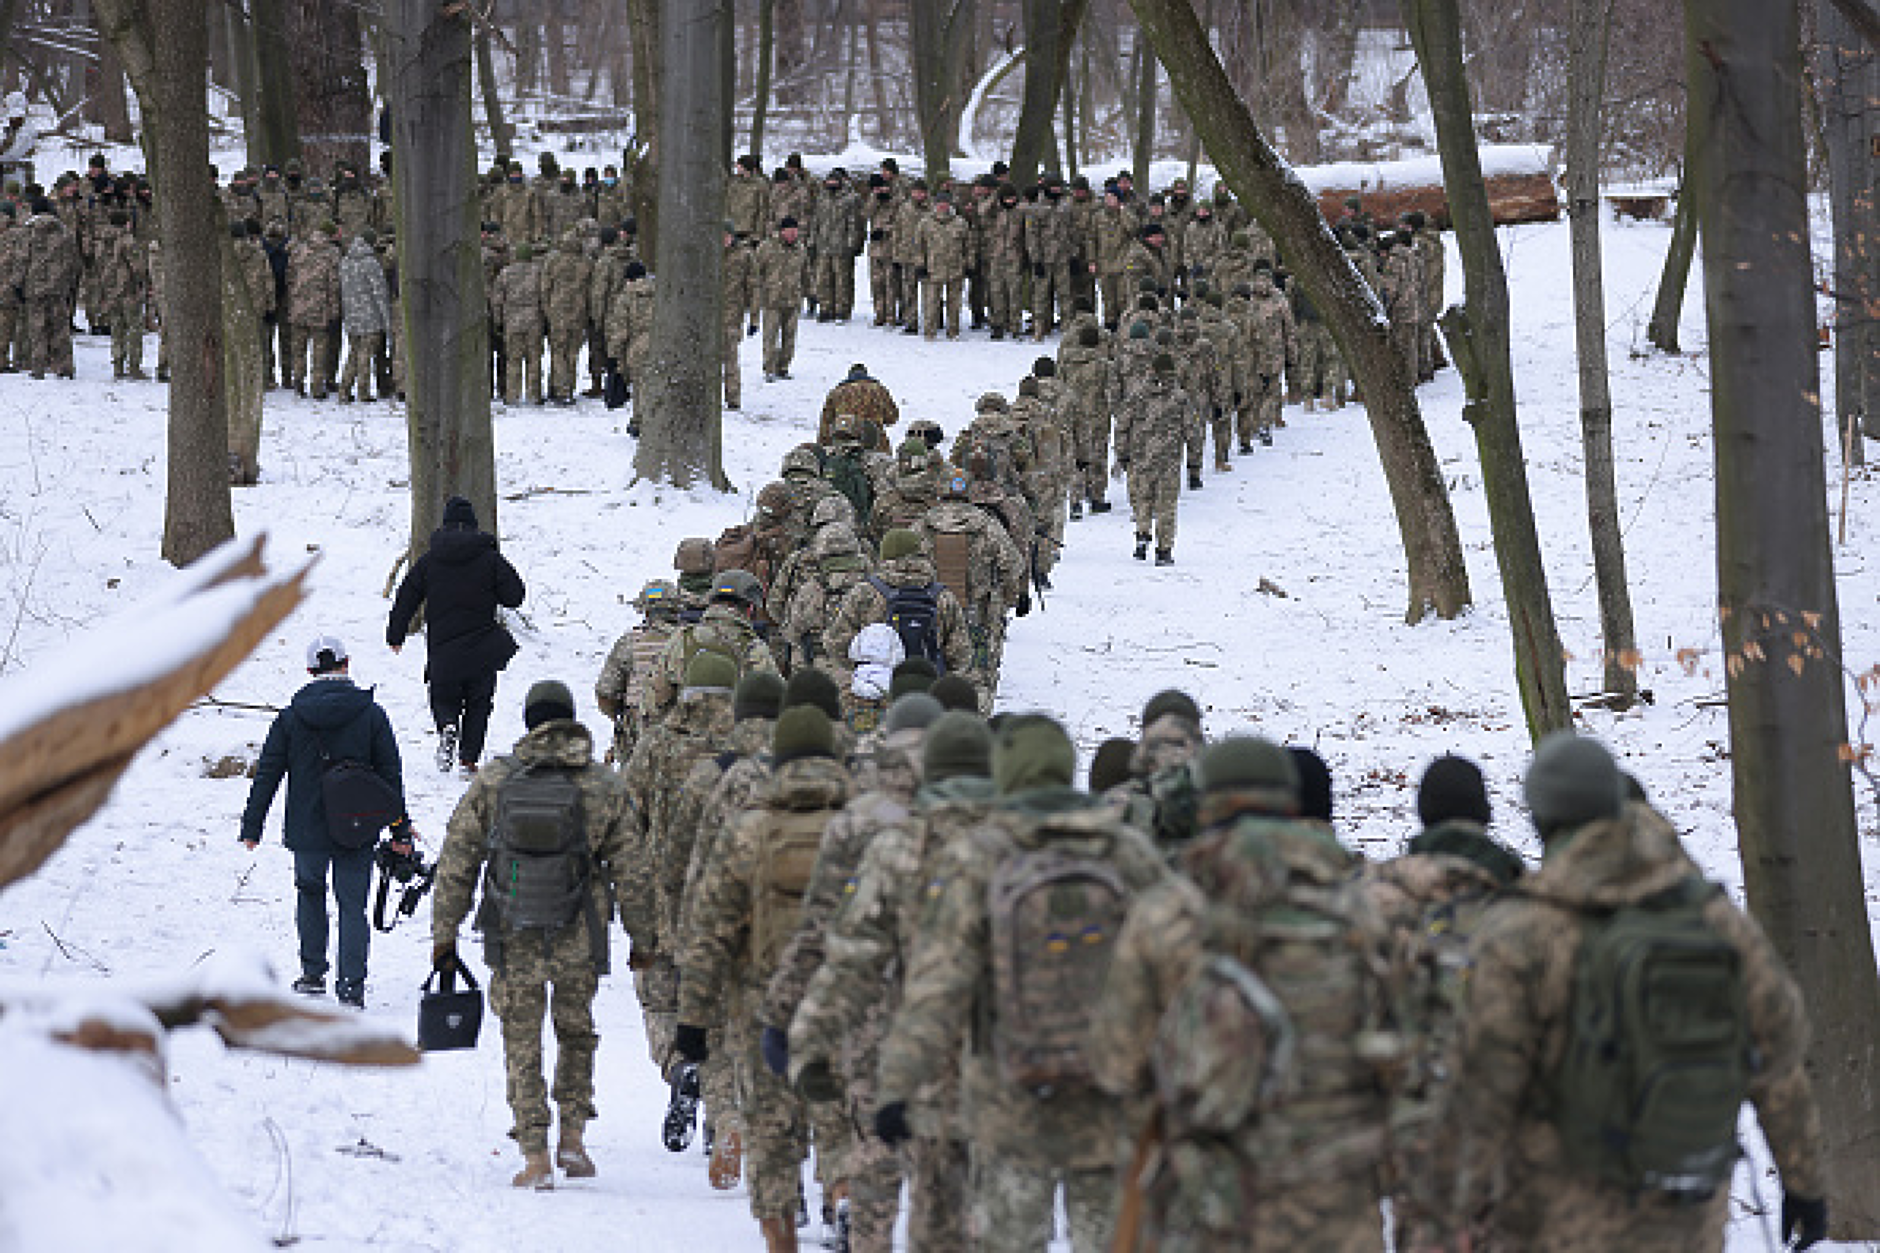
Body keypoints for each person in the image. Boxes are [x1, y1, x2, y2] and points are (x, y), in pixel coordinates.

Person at [1436, 733, 1829, 1252]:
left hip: (1556, 1220)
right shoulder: (1711, 918)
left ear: (1541, 818)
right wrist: (1804, 1182)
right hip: (1686, 1218)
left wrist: (1454, 1212)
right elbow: (1780, 1058)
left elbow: (1483, 1089)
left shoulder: (1522, 931)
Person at [429, 680, 650, 1190]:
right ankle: (572, 1139)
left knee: (520, 1038)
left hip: (511, 932)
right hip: (580, 932)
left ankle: (534, 1155)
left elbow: (458, 859)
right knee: (576, 1032)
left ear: (529, 721)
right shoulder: (602, 784)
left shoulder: (494, 780)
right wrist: (645, 939)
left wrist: (445, 932)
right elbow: (633, 872)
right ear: (570, 720)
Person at [239, 636, 408, 1009]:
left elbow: (268, 772)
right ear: (346, 664)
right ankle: (351, 986)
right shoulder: (371, 714)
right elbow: (390, 776)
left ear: (310, 671)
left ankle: (313, 974)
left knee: (309, 893)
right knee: (353, 906)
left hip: (307, 828)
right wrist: (399, 830)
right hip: (357, 826)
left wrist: (253, 825)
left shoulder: (290, 716)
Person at [387, 495, 527, 774]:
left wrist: (396, 633)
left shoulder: (429, 561)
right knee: (479, 703)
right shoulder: (489, 559)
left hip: (443, 648)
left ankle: (447, 725)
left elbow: (406, 597)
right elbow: (515, 596)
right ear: (474, 526)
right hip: (482, 647)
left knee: (442, 695)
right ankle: (468, 758)